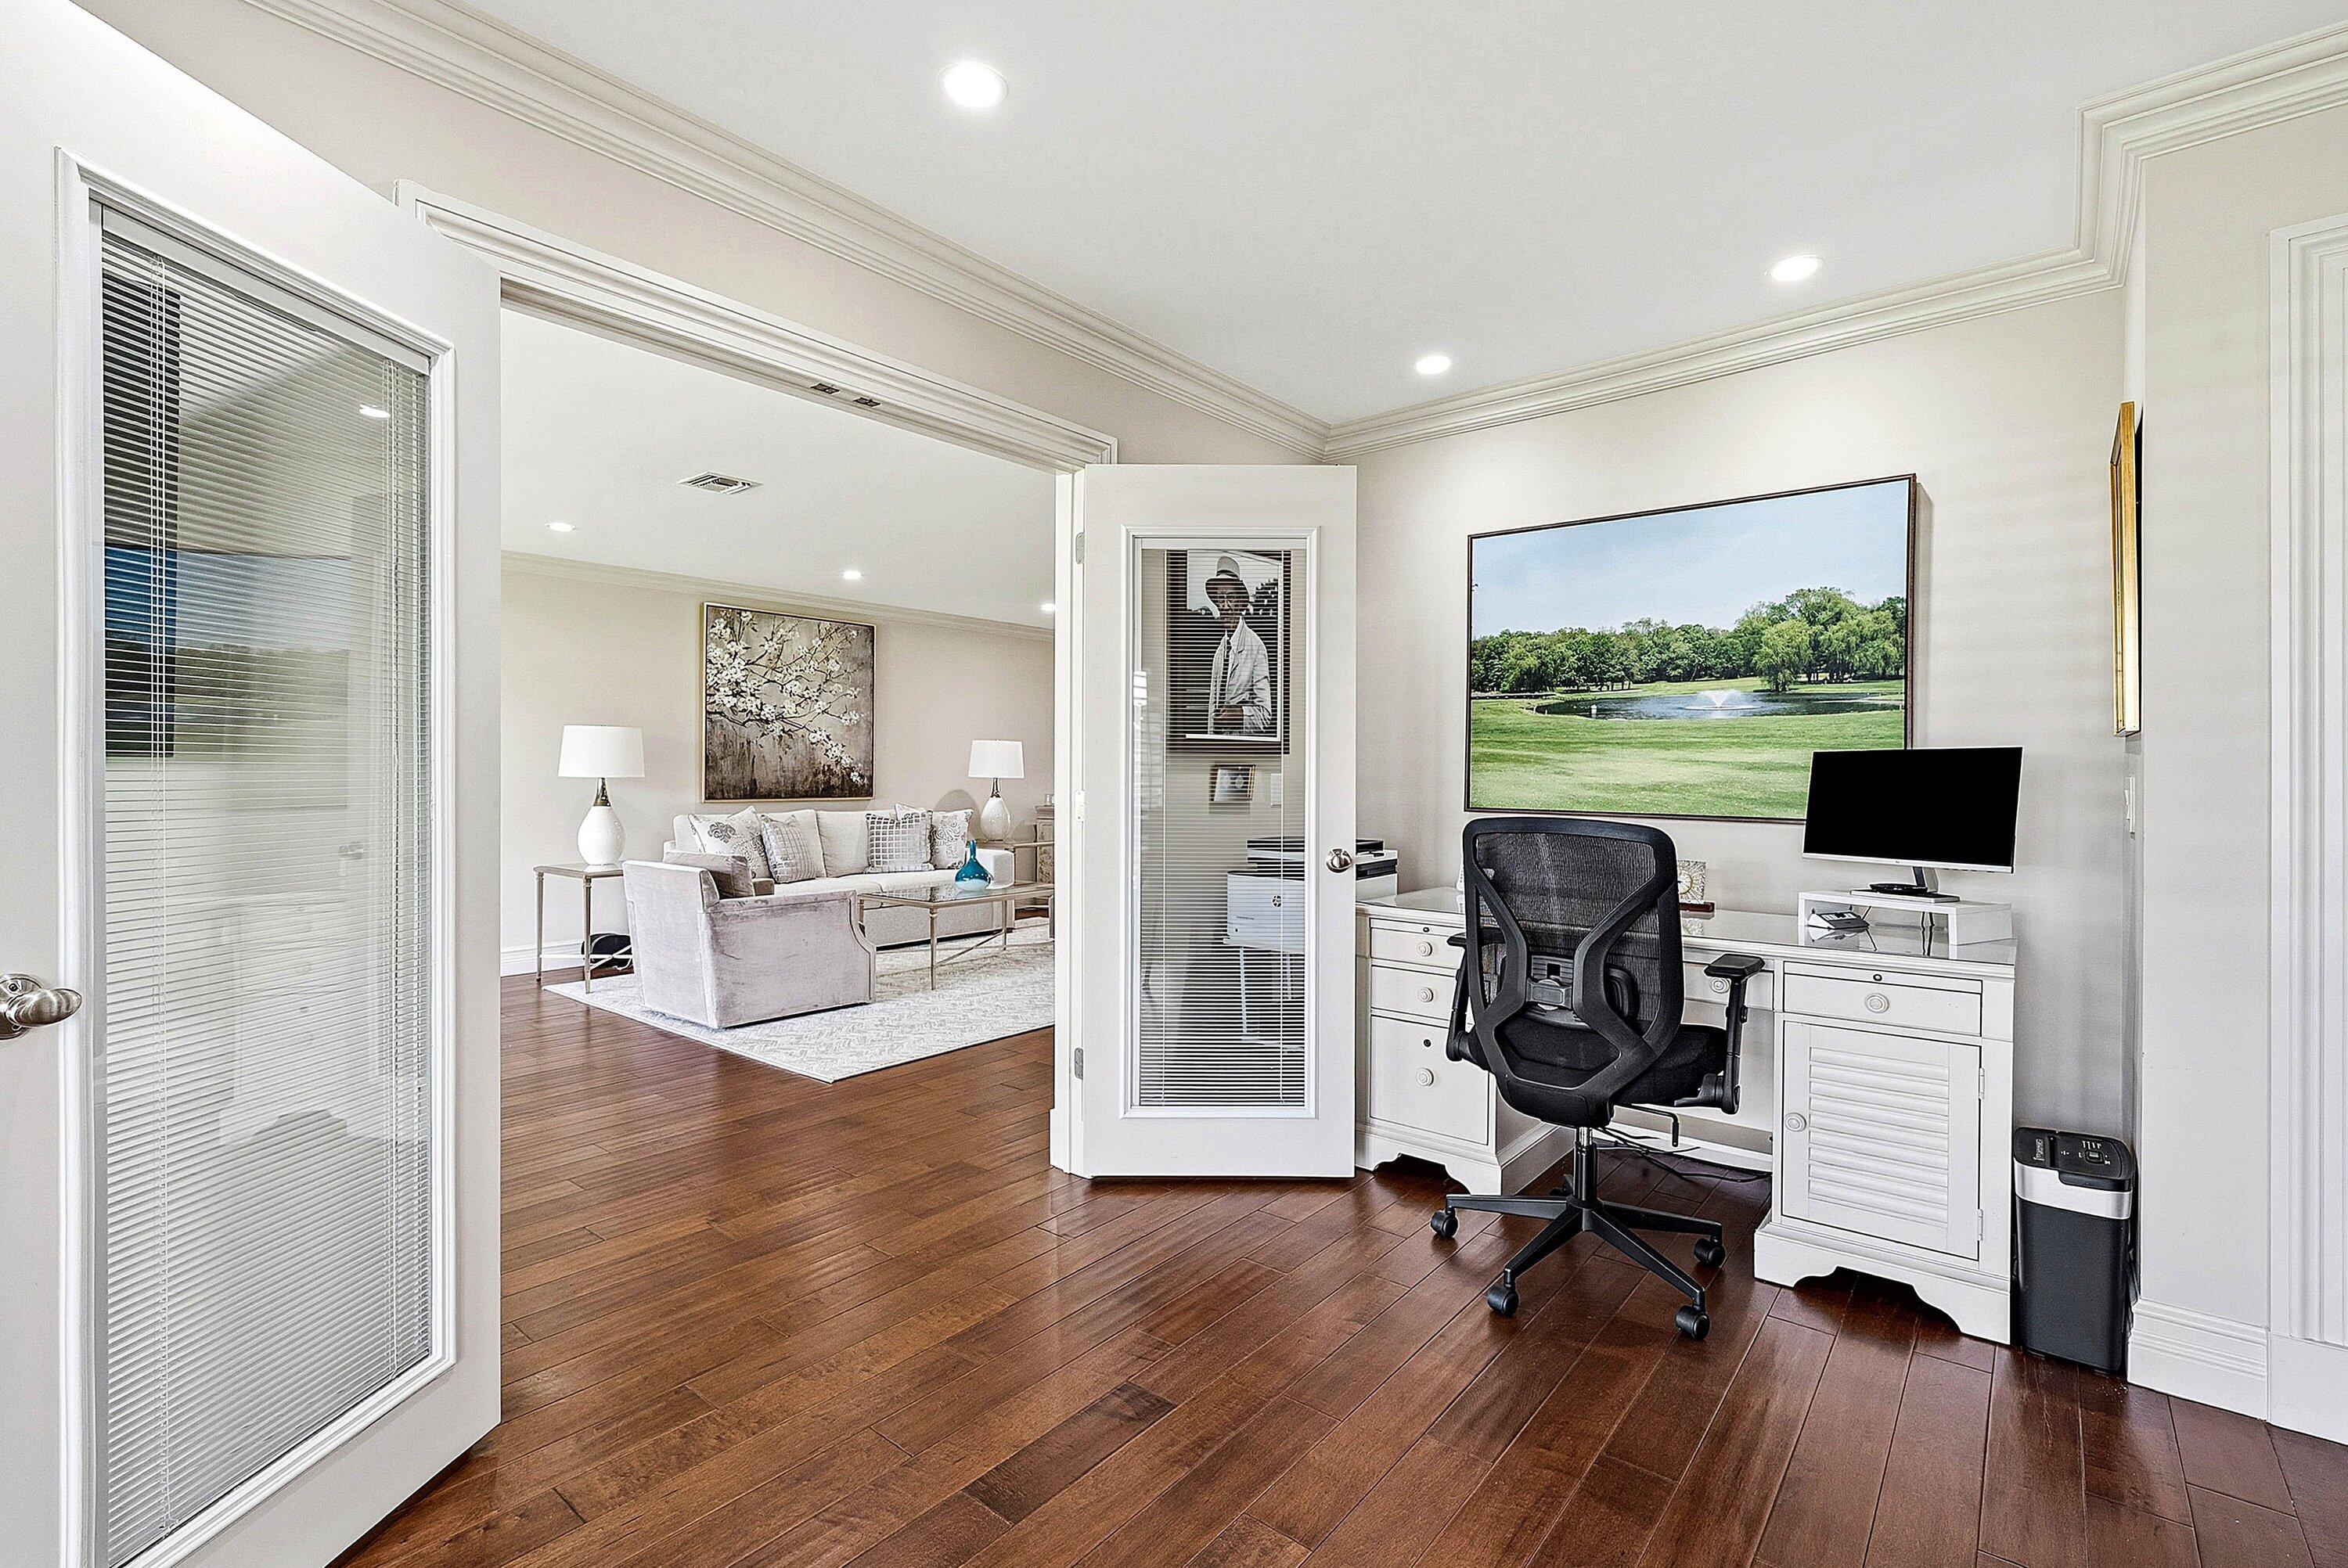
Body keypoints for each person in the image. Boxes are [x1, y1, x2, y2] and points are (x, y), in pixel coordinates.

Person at [1203, 558, 1273, 735]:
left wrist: (1239, 714)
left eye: (1230, 598)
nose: (1224, 606)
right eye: (1220, 599)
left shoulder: (1256, 647)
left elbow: (1265, 716)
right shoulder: (1220, 651)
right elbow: (1213, 708)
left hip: (1241, 748)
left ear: (1241, 603)